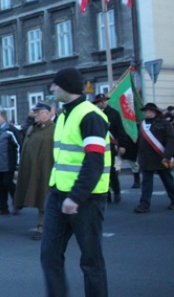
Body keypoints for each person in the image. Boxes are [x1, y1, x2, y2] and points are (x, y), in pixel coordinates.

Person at [40, 67, 110, 297]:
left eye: (55, 85)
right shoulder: (62, 116)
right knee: (49, 255)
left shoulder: (90, 116)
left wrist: (76, 196)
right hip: (59, 195)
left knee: (91, 260)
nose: (52, 88)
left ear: (66, 87)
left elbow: (94, 161)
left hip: (86, 199)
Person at [14, 101, 55, 240]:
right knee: (38, 197)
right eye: (35, 112)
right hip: (32, 170)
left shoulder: (54, 129)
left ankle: (42, 227)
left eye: (39, 112)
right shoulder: (32, 129)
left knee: (45, 197)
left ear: (48, 114)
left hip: (47, 170)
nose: (36, 115)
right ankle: (42, 225)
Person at [134, 103, 174, 213]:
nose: (145, 113)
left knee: (167, 181)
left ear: (153, 111)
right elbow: (140, 141)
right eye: (144, 111)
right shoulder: (142, 124)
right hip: (146, 159)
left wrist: (167, 156)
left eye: (147, 111)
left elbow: (171, 140)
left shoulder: (164, 123)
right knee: (146, 183)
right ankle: (144, 204)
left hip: (160, 157)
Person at [92, 93, 127, 203]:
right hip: (97, 145)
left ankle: (116, 191)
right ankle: (105, 193)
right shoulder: (92, 114)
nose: (103, 102)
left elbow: (120, 130)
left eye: (105, 100)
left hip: (110, 146)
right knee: (100, 170)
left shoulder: (113, 113)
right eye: (101, 101)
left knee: (111, 170)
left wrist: (122, 145)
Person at [0, 110, 21, 215]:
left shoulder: (10, 130)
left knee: (7, 183)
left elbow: (18, 145)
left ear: (4, 118)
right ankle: (3, 206)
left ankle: (16, 202)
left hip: (8, 163)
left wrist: (17, 162)